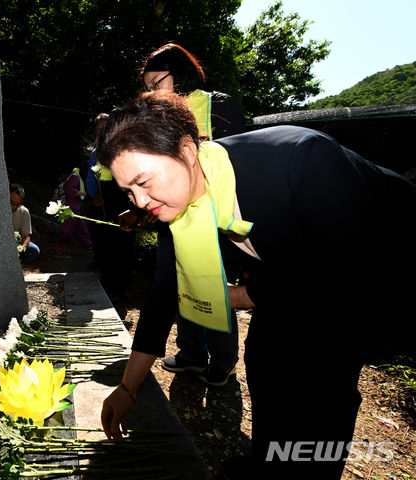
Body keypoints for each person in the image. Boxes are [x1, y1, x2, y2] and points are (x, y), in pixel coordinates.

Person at [98, 91, 415, 479]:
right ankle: (268, 462)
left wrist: (240, 296)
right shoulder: (176, 210)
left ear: (187, 151)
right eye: (129, 192)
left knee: (324, 386)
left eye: (143, 182)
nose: (140, 201)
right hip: (288, 277)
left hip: (374, 272)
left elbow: (342, 269)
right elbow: (163, 296)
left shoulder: (301, 159)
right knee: (266, 358)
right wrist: (129, 386)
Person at [137, 42, 246, 385]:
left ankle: (223, 361)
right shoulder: (156, 114)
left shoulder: (220, 105)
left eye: (157, 83)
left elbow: (238, 160)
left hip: (214, 219)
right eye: (147, 86)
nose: (151, 92)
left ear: (179, 73)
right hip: (174, 219)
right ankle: (191, 355)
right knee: (179, 286)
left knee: (213, 286)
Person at [85, 113, 137, 292]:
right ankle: (109, 285)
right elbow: (91, 178)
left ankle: (126, 285)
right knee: (106, 241)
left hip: (123, 197)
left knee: (125, 241)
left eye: (105, 127)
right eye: (99, 128)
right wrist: (94, 196)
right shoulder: (96, 152)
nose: (102, 131)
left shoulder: (125, 147)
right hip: (104, 198)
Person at [54, 167, 92, 258]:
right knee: (66, 230)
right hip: (69, 208)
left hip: (75, 208)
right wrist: (84, 193)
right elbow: (70, 190)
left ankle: (90, 246)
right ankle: (60, 251)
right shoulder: (75, 176)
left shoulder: (78, 176)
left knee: (81, 228)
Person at [10, 183, 39, 263]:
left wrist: (22, 250)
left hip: (16, 241)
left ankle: (18, 264)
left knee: (35, 251)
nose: (14, 206)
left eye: (17, 204)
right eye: (11, 202)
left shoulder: (24, 211)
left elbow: (26, 236)